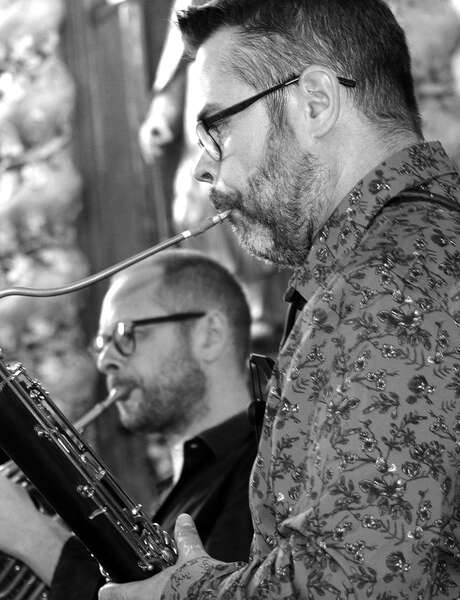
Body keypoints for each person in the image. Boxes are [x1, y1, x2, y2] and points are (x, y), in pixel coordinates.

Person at [98, 1, 460, 599]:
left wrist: (180, 593)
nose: (203, 169)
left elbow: (352, 586)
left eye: (217, 128)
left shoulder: (388, 281)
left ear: (315, 102)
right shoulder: (394, 258)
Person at [0, 248, 256, 599]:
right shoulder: (181, 487)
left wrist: (34, 537)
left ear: (209, 335)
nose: (105, 361)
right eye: (102, 343)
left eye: (125, 334)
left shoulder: (264, 471)